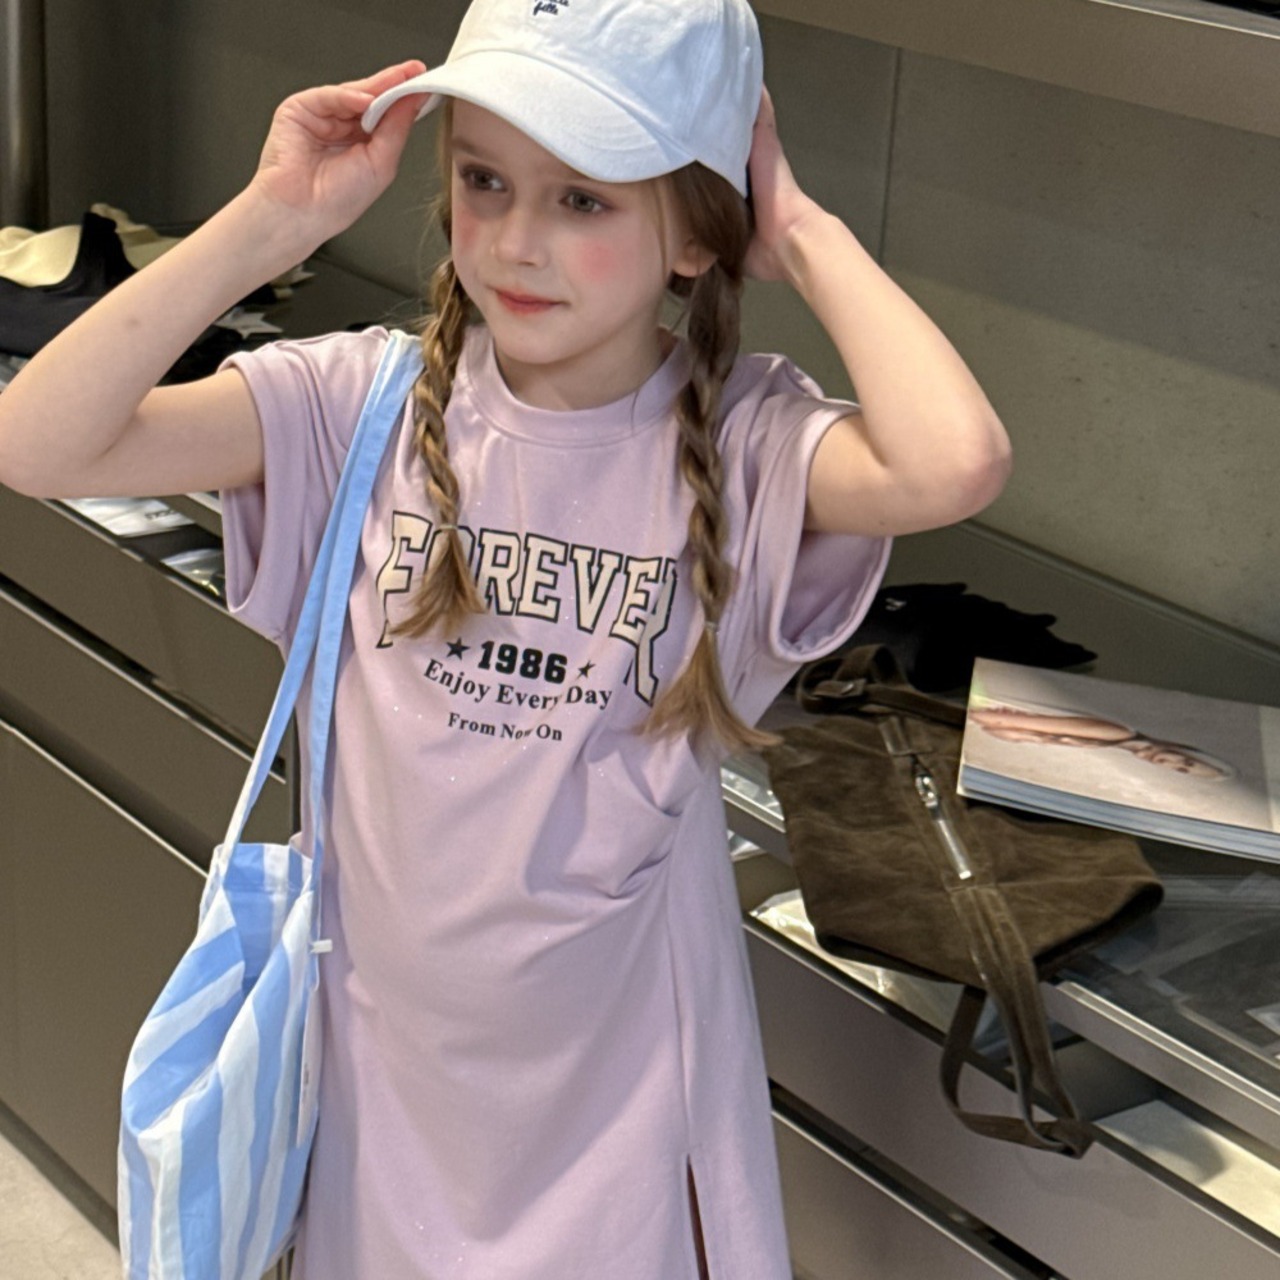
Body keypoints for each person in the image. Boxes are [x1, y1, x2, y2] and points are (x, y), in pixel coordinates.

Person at [0, 0, 1011, 1275]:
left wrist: (798, 230)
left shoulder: (745, 444)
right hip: (382, 1087)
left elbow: (954, 460)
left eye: (582, 198)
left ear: (694, 230)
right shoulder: (354, 403)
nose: (517, 241)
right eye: (484, 181)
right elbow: (34, 444)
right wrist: (267, 223)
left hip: (620, 1109)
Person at [969, 705, 1232, 778]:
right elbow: (1006, 721)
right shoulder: (1118, 734)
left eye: (1181, 770)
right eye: (1187, 762)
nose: (1173, 764)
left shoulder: (1116, 744)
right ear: (1183, 750)